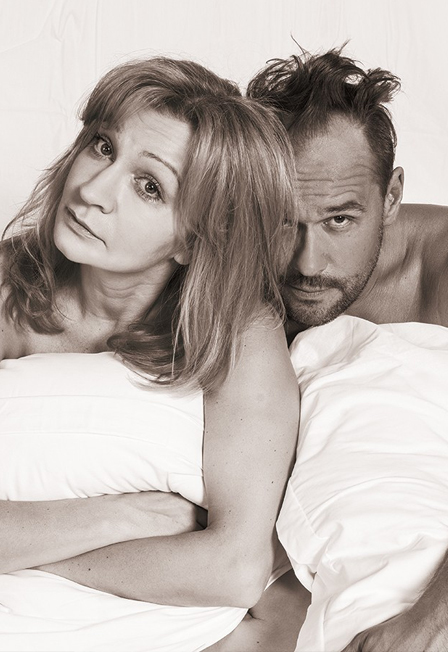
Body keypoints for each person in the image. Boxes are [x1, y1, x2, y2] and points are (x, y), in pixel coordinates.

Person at [0, 56, 300, 651]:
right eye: (103, 146)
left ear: (194, 237)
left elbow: (235, 569)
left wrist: (28, 551)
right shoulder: (10, 281)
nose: (91, 191)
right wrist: (119, 518)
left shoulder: (238, 332)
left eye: (149, 187)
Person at [208, 47, 448, 651]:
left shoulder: (441, 270)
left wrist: (427, 621)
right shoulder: (222, 266)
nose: (308, 264)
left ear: (391, 195)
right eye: (281, 221)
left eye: (340, 220)